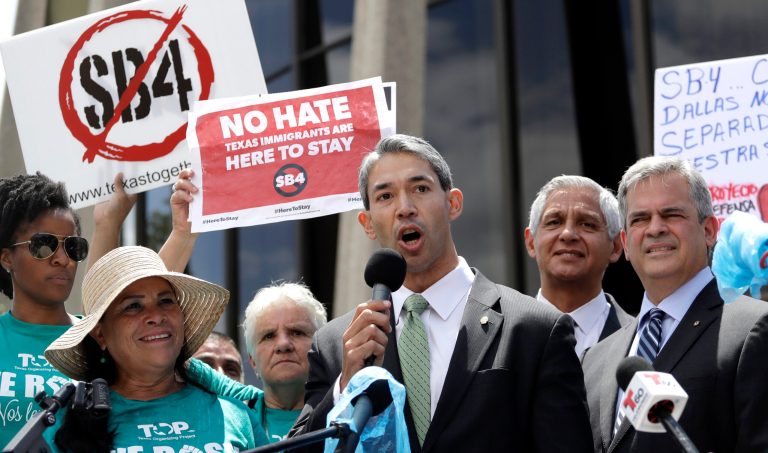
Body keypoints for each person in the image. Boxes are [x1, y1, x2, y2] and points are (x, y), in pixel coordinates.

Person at [290, 134, 593, 452]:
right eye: (385, 197)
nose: (405, 208)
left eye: (420, 189)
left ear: (453, 203)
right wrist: (345, 387)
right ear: (367, 224)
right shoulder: (334, 345)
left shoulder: (535, 329)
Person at [581, 156, 768, 452]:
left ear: (708, 230)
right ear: (626, 243)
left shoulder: (753, 328)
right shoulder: (595, 359)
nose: (655, 228)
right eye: (640, 219)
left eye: (671, 214)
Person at [42, 246, 269, 452]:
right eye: (133, 306)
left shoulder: (236, 415)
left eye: (166, 301)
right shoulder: (64, 424)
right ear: (100, 334)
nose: (156, 316)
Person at [0, 173, 88, 447]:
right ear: (6, 258)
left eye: (72, 247)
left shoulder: (100, 339)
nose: (63, 260)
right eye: (44, 245)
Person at [188, 281, 327, 444]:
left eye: (297, 332)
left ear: (321, 347)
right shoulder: (224, 421)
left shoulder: (348, 409)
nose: (283, 344)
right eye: (268, 335)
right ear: (253, 362)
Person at [524, 175, 632, 358]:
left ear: (615, 247)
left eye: (587, 224)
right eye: (554, 222)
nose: (568, 234)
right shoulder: (498, 339)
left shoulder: (642, 340)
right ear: (531, 242)